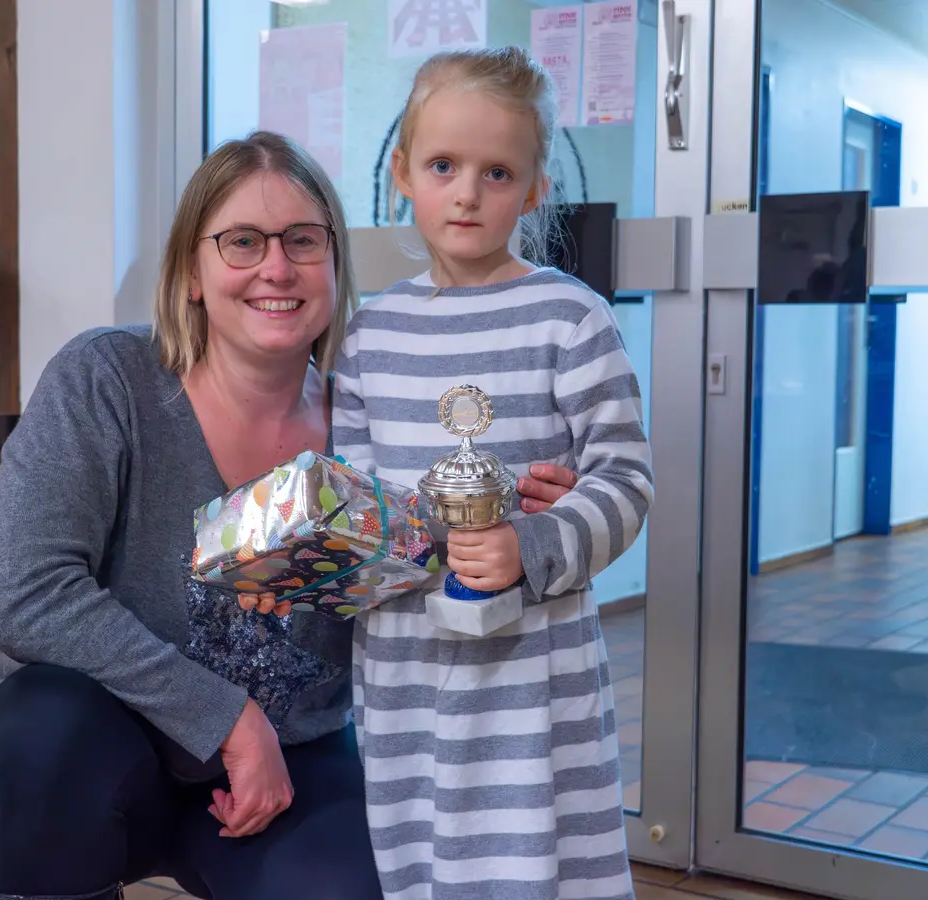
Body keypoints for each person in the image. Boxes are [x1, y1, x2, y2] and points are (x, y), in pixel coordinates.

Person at [0, 130, 585, 900]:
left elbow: (420, 563)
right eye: (242, 242)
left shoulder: (379, 420)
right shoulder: (107, 379)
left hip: (289, 769)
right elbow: (22, 593)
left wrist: (517, 522)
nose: (276, 268)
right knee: (39, 733)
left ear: (334, 263)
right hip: (96, 752)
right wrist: (229, 719)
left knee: (355, 887)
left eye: (303, 241)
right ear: (192, 270)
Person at [331, 47, 654, 900]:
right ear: (403, 171)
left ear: (536, 187)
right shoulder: (368, 336)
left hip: (532, 669)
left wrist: (536, 541)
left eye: (497, 171)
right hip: (404, 666)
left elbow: (624, 478)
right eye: (443, 165)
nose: (467, 192)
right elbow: (356, 500)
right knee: (420, 860)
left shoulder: (571, 317)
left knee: (540, 860)